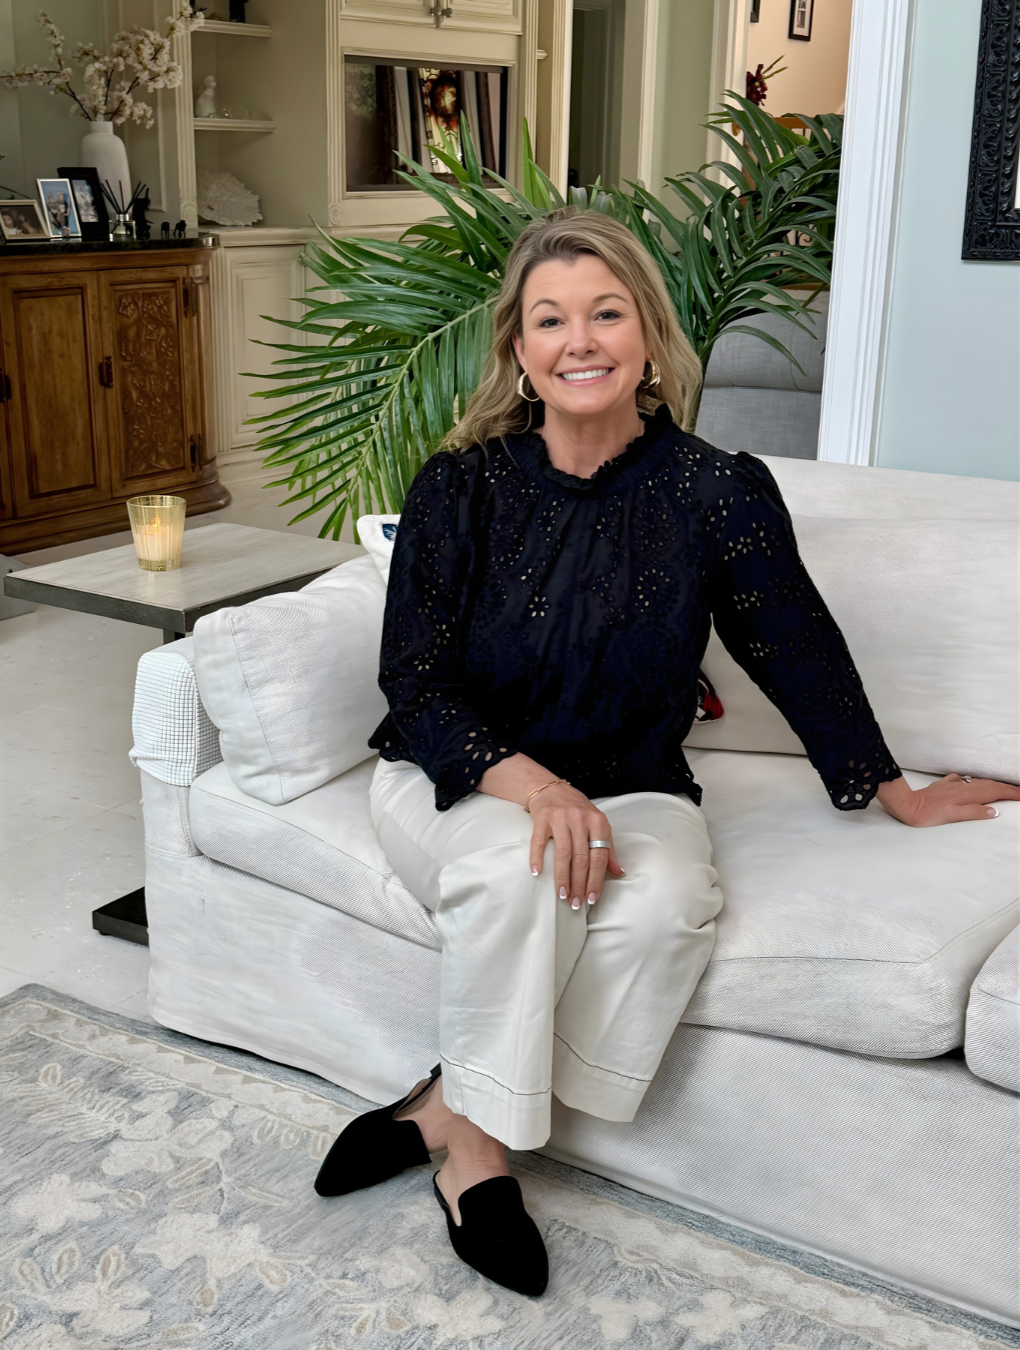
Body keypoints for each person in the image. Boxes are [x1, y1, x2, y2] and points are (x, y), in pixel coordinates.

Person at [314, 209, 1020, 1295]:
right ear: (519, 349)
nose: (580, 341)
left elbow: (794, 645)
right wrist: (536, 789)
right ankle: (478, 1158)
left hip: (634, 782)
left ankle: (446, 1101)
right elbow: (413, 682)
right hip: (459, 777)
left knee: (668, 904)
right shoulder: (462, 487)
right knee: (525, 873)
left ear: (646, 335)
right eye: (551, 320)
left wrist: (893, 788)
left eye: (606, 313)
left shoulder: (712, 490)